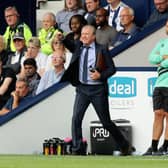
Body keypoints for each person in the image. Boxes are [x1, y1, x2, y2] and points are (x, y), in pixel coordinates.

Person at [59, 25, 132, 155]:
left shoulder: (102, 49)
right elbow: (69, 45)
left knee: (106, 122)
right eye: (82, 34)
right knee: (76, 118)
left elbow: (112, 69)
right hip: (82, 89)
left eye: (87, 34)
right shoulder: (78, 47)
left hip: (98, 90)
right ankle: (78, 149)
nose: (83, 36)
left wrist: (100, 75)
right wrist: (62, 39)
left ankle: (124, 144)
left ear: (94, 36)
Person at [143, 21, 168, 156]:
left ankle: (165, 147)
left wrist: (163, 61)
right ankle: (153, 147)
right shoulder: (162, 42)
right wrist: (163, 58)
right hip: (159, 84)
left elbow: (163, 62)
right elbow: (151, 58)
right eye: (167, 25)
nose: (167, 28)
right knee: (158, 114)